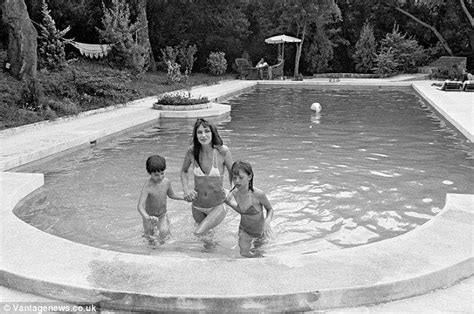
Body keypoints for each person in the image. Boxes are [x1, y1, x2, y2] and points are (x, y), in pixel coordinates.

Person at [180, 118, 233, 236]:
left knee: (198, 233)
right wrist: (186, 190)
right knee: (206, 239)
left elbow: (233, 173)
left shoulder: (222, 151)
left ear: (212, 132)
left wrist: (232, 191)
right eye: (199, 132)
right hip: (197, 205)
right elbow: (184, 171)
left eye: (207, 131)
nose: (203, 135)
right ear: (196, 135)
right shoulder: (191, 151)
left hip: (218, 204)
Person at [224, 161, 274, 257]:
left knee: (259, 254)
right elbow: (243, 211)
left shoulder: (258, 194)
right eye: (234, 178)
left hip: (260, 231)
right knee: (244, 253)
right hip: (244, 230)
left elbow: (270, 209)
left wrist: (267, 222)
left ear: (250, 177)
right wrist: (229, 203)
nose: (237, 181)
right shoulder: (234, 193)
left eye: (241, 177)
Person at [137, 155, 186, 246]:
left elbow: (171, 195)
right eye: (156, 175)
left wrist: (184, 198)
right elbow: (140, 206)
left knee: (164, 234)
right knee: (150, 237)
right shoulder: (148, 186)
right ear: (149, 173)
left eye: (162, 173)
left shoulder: (166, 182)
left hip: (162, 215)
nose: (160, 177)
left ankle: (162, 252)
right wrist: (147, 217)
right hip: (149, 217)